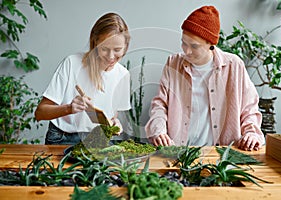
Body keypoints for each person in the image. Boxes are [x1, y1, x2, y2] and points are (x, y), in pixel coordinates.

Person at [145, 6, 265, 151]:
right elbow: (160, 105)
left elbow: (249, 108)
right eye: (184, 43)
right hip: (178, 152)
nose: (187, 51)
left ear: (211, 44)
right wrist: (159, 130)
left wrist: (251, 133)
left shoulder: (234, 65)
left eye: (194, 46)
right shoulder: (173, 63)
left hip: (222, 154)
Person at [35, 13, 131, 145]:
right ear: (95, 41)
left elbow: (112, 116)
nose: (111, 56)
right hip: (63, 138)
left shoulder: (123, 75)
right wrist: (69, 108)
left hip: (97, 139)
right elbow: (40, 113)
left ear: (126, 47)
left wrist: (114, 123)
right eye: (104, 49)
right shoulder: (72, 63)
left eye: (117, 50)